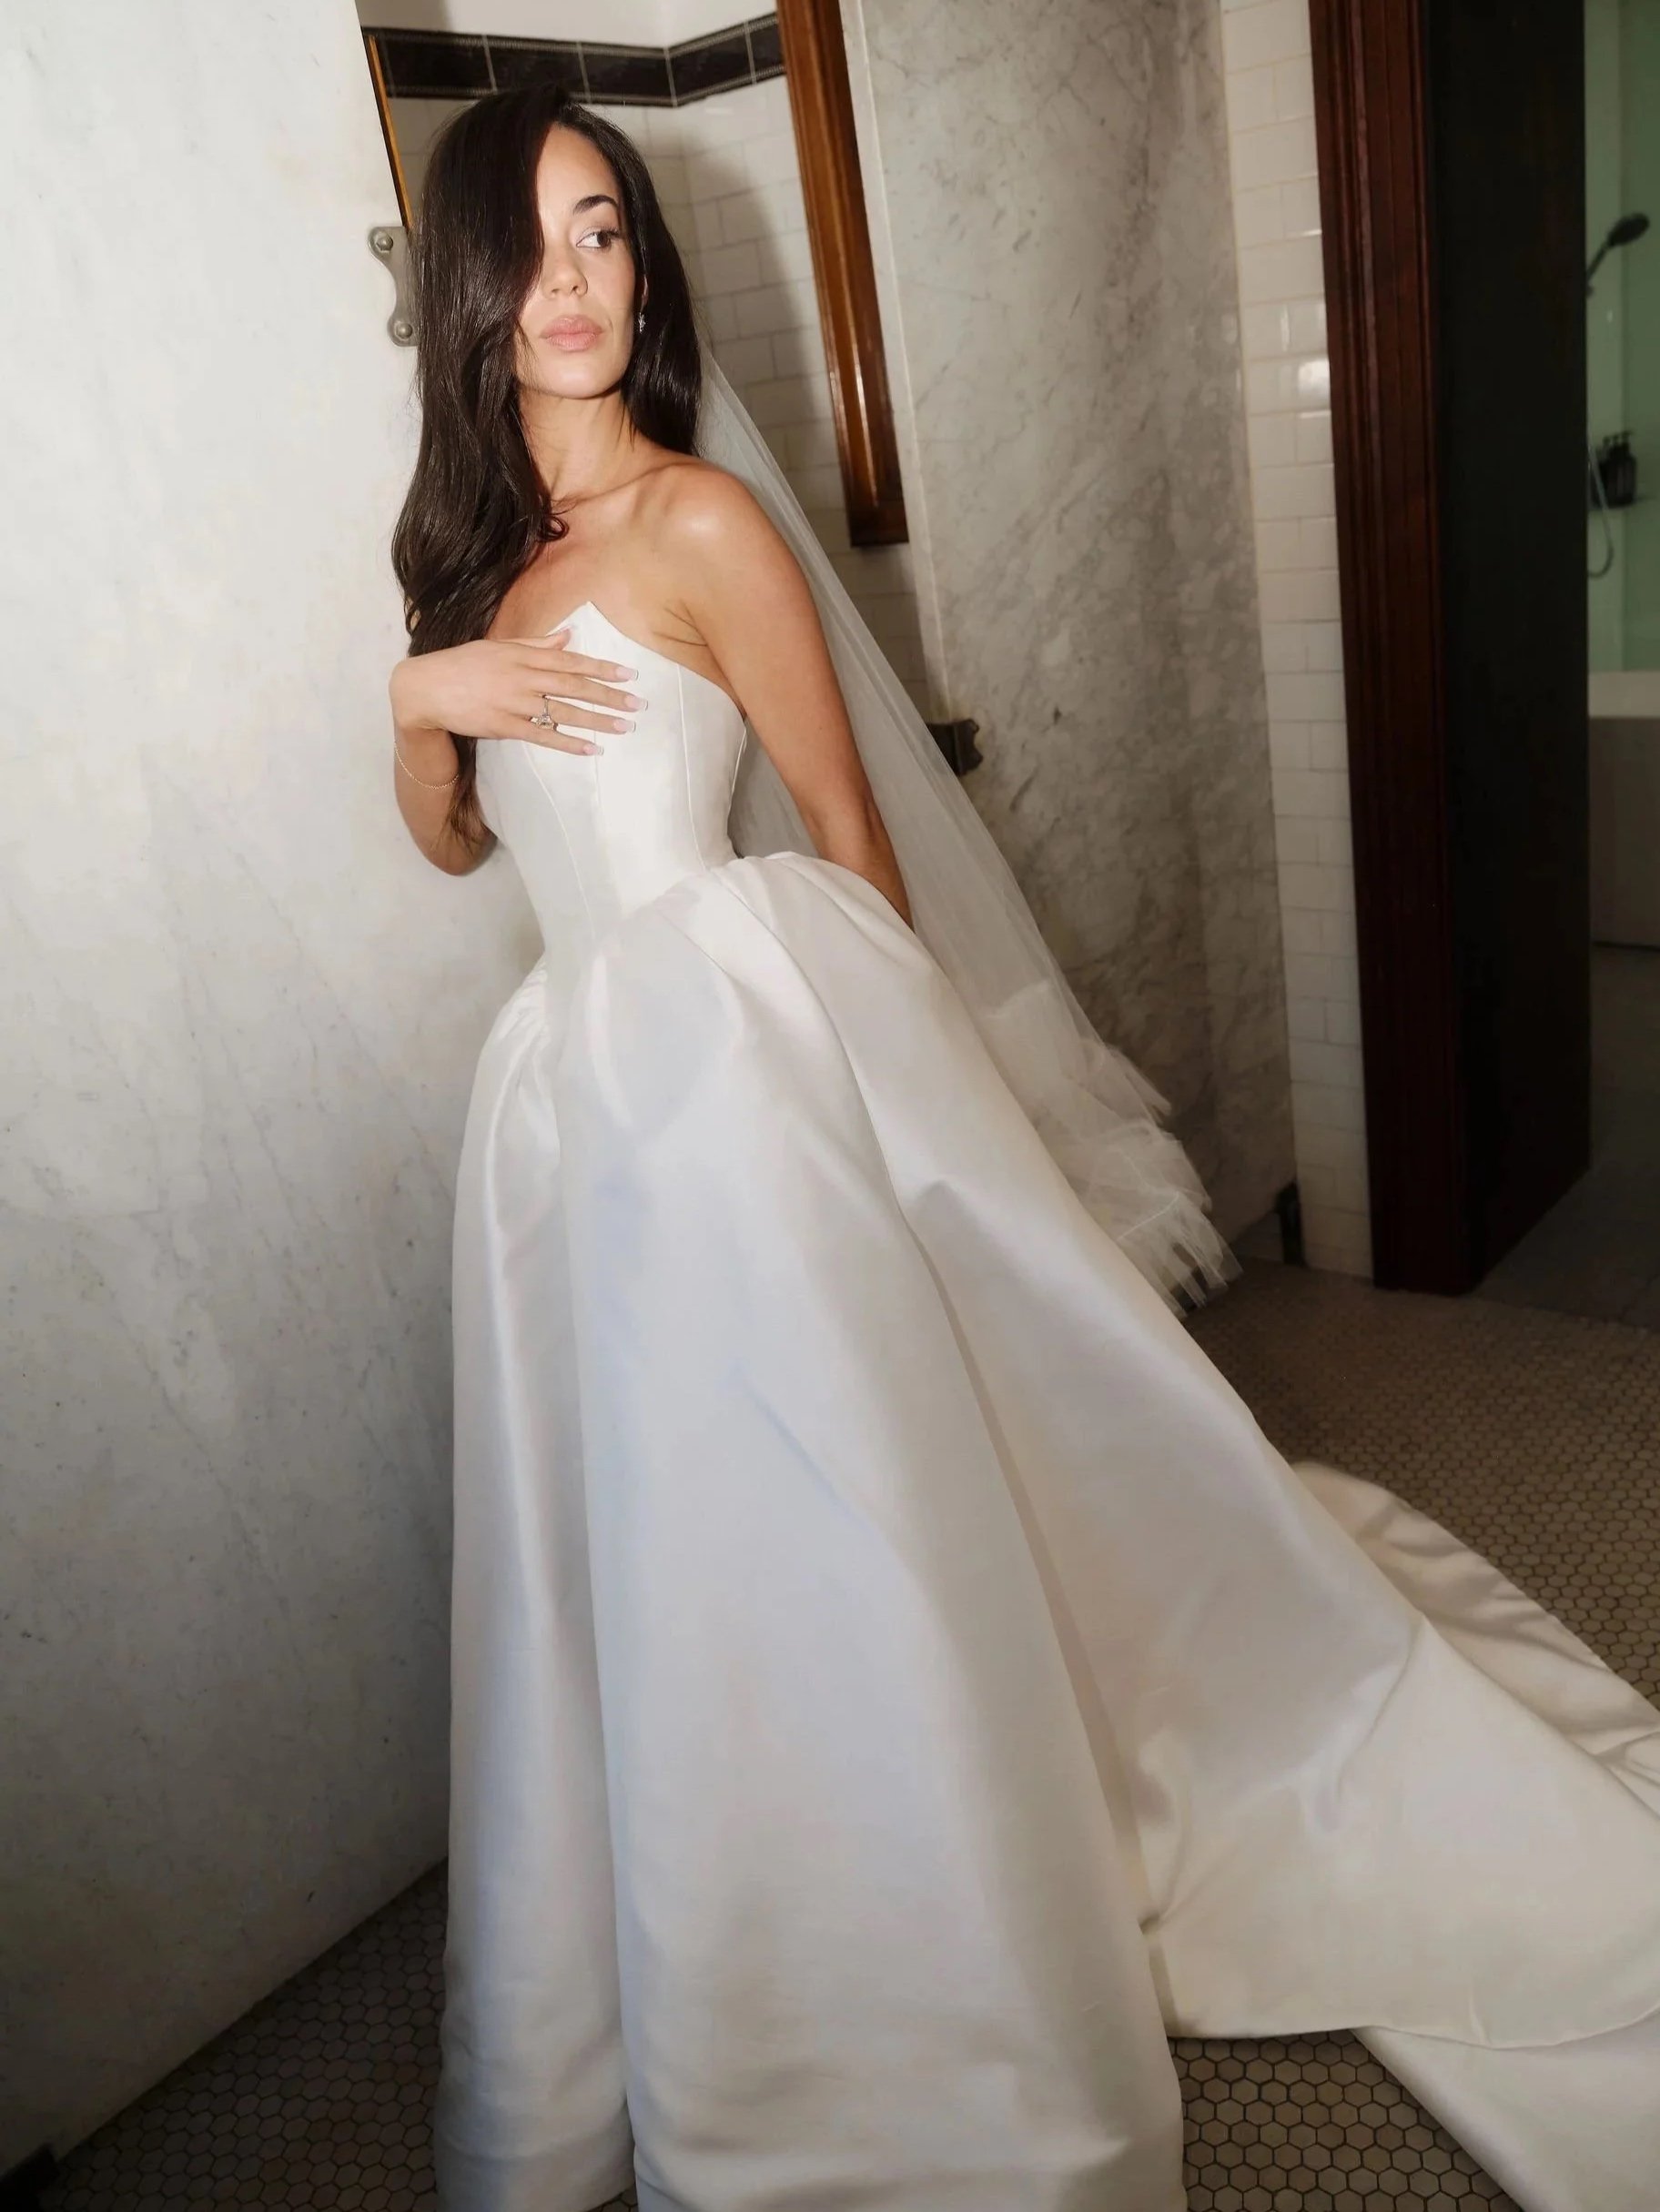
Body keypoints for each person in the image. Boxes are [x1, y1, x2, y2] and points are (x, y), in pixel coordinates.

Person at [388, 80, 1660, 2212]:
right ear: (466, 288)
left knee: (832, 1494)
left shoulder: (705, 522)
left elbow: (857, 839)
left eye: (609, 229)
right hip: (565, 1122)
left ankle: (913, 1952)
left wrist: (917, 1136)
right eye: (536, 243)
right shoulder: (462, 563)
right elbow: (451, 845)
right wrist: (418, 705)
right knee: (646, 1547)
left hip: (737, 1078)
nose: (583, 281)